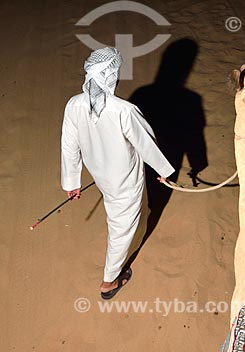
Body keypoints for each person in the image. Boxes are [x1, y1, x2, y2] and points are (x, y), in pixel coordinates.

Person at [61, 47, 174, 299]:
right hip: (124, 180)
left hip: (100, 175)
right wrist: (164, 171)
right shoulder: (123, 110)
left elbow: (69, 145)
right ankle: (109, 281)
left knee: (138, 211)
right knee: (120, 228)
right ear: (112, 76)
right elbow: (147, 143)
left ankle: (139, 227)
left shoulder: (74, 104)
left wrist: (71, 181)